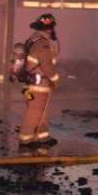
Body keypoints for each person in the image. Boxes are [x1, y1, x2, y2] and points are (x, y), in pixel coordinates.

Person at [17, 13, 59, 147]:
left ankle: (42, 137)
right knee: (34, 113)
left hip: (31, 84)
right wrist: (55, 79)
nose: (52, 31)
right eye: (51, 28)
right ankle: (26, 140)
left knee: (42, 112)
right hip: (39, 85)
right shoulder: (42, 44)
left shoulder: (32, 40)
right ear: (48, 28)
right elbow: (47, 65)